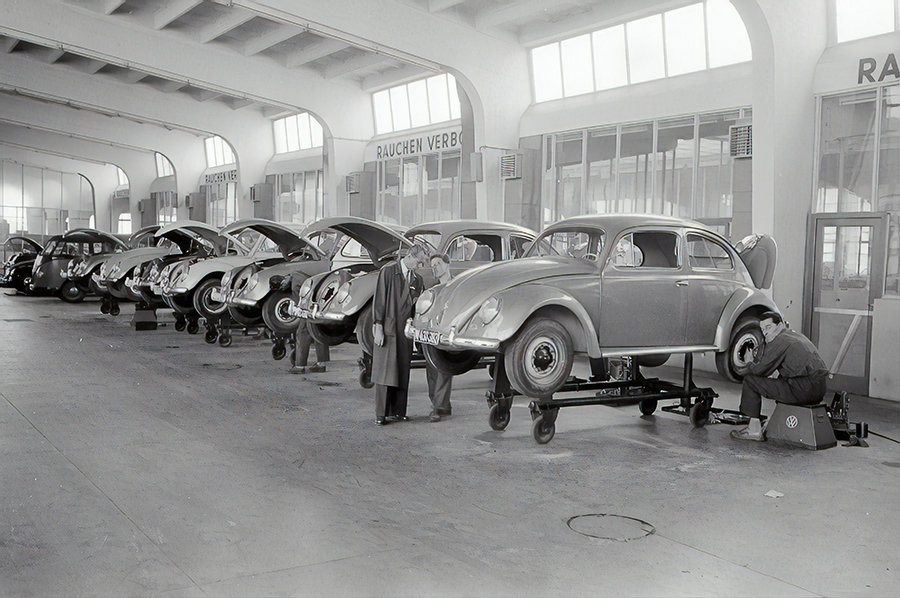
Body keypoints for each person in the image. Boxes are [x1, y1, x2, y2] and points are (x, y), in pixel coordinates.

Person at [731, 311, 829, 442]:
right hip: (819, 389)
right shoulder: (794, 335)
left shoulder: (780, 340)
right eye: (762, 329)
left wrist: (749, 360)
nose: (765, 332)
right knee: (781, 380)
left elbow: (758, 371)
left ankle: (753, 430)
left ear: (780, 325)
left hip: (804, 390)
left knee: (750, 381)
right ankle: (771, 421)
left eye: (768, 327)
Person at [372, 243, 428, 425]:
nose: (420, 267)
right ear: (410, 257)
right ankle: (381, 414)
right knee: (384, 371)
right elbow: (379, 300)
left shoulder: (417, 280)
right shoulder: (388, 272)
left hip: (404, 330)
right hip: (388, 327)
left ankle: (399, 411)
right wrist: (378, 326)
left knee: (403, 369)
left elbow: (417, 307)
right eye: (419, 262)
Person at [425, 252, 453, 422]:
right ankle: (443, 405)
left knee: (443, 369)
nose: (435, 268)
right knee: (431, 371)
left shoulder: (458, 284)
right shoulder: (431, 287)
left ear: (447, 264)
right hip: (431, 332)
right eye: (432, 265)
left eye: (438, 264)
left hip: (447, 332)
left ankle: (438, 406)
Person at [289, 274, 329, 374]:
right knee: (317, 331)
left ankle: (300, 366)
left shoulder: (296, 279)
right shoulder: (300, 272)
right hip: (322, 298)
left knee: (302, 333)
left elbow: (299, 302)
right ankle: (321, 363)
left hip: (309, 304)